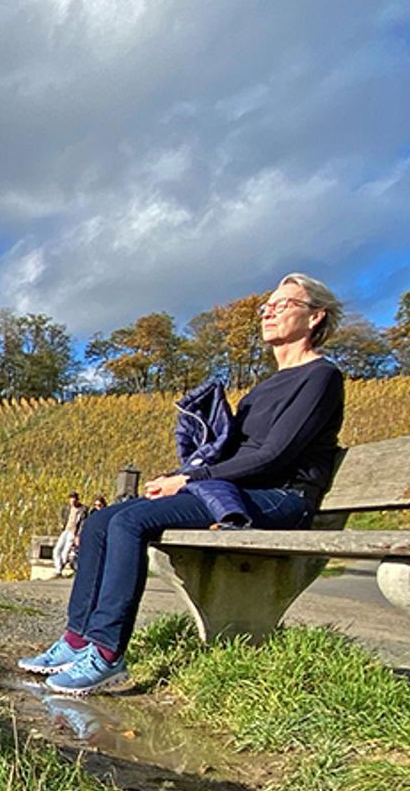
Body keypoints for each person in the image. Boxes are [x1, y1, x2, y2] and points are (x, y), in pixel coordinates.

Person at [19, 273, 344, 695]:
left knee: (129, 524)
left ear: (315, 316)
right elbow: (233, 455)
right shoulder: (262, 390)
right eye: (266, 306)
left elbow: (274, 456)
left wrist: (191, 479)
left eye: (283, 305)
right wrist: (185, 468)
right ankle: (77, 639)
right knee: (101, 522)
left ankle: (106, 655)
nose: (268, 312)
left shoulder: (320, 378)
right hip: (238, 493)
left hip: (282, 499)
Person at [52, 492, 87, 574]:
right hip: (66, 531)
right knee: (57, 549)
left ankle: (59, 569)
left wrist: (78, 535)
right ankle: (58, 567)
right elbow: (64, 518)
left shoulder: (82, 510)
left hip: (73, 532)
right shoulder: (67, 509)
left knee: (65, 551)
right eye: (71, 501)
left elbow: (82, 523)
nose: (72, 503)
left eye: (74, 501)